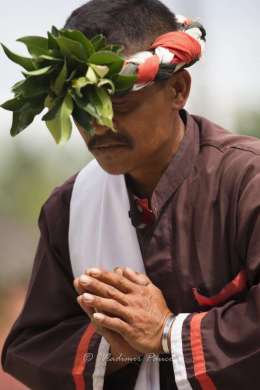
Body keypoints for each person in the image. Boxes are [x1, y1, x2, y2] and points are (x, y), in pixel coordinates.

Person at [1, 0, 260, 389]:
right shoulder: (69, 207)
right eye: (83, 106)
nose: (99, 126)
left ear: (177, 89)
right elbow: (29, 347)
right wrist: (109, 350)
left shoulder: (247, 181)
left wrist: (167, 334)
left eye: (118, 100)